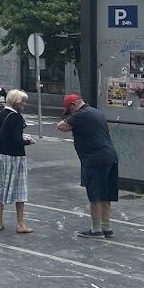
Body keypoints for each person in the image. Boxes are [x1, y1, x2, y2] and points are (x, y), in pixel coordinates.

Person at [57, 94, 120, 238]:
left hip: (95, 159)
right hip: (110, 156)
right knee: (106, 193)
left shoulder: (81, 114)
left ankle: (96, 229)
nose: (70, 113)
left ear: (74, 105)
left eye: (69, 110)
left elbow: (61, 126)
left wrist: (71, 122)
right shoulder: (96, 112)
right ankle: (106, 226)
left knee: (96, 194)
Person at [0, 89, 35, 233]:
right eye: (23, 101)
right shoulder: (17, 118)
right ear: (16, 102)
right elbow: (17, 140)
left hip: (2, 155)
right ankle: (20, 224)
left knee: (0, 188)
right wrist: (27, 141)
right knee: (20, 190)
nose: (24, 104)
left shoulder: (1, 115)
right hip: (16, 157)